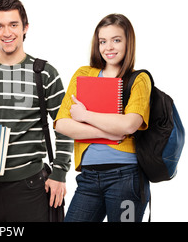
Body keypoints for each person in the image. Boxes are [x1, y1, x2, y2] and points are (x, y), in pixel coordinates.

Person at [0, 0, 73, 222]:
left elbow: (65, 125)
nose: (7, 32)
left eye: (13, 24)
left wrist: (60, 172)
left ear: (25, 27)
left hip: (30, 186)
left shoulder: (44, 72)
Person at [54, 13, 152, 222]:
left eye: (116, 40)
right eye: (103, 41)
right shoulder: (84, 74)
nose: (109, 47)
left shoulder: (139, 79)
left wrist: (85, 115)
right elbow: (62, 123)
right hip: (88, 179)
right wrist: (108, 134)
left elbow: (129, 125)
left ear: (128, 42)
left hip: (126, 177)